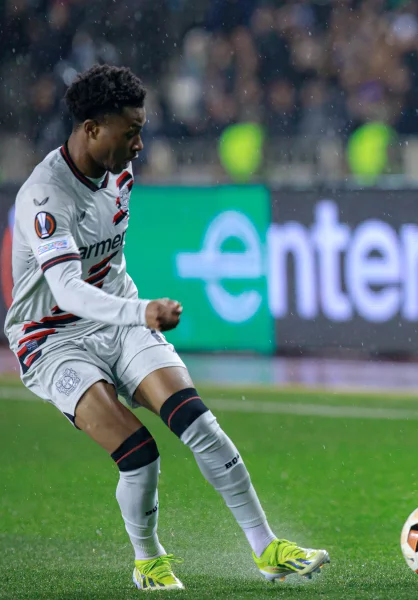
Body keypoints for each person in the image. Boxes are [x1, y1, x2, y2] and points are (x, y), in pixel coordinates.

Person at [5, 64, 330, 591]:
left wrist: (131, 312)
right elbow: (64, 289)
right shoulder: (45, 196)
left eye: (141, 129)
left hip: (117, 318)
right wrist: (142, 311)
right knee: (139, 455)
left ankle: (267, 548)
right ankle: (148, 560)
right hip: (52, 339)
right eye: (129, 131)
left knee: (200, 425)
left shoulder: (120, 173)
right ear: (91, 128)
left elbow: (106, 266)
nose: (139, 144)